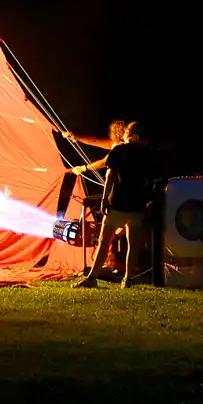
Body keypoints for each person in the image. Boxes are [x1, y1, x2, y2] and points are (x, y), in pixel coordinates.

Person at [72, 121, 154, 290]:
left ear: (131, 134)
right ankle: (128, 279)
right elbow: (150, 180)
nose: (123, 134)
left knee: (104, 240)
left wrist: (104, 200)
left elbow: (110, 175)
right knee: (133, 243)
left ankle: (92, 277)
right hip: (137, 204)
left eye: (127, 131)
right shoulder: (147, 154)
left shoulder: (120, 150)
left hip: (118, 202)